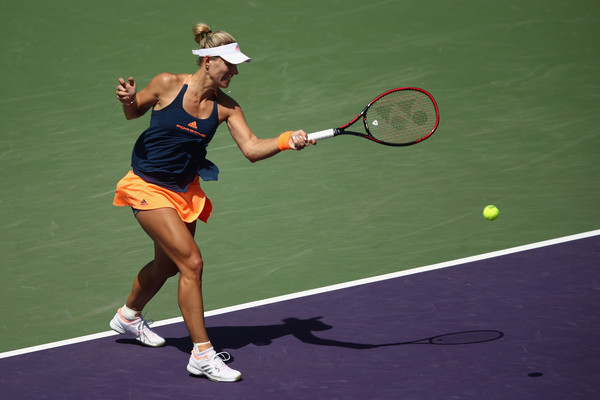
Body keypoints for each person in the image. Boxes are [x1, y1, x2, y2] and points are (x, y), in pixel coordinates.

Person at [109, 22, 313, 383]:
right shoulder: (168, 83)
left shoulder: (226, 108)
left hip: (184, 189)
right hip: (146, 185)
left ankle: (128, 316)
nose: (234, 72)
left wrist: (286, 140)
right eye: (229, 65)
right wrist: (128, 100)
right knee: (191, 263)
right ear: (208, 61)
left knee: (168, 266)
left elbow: (251, 149)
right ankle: (202, 354)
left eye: (236, 66)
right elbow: (134, 112)